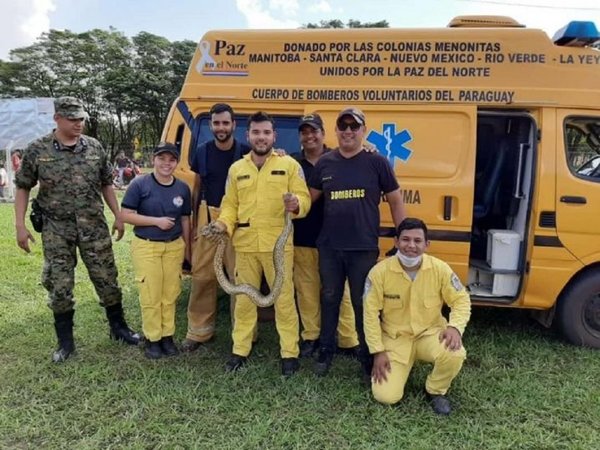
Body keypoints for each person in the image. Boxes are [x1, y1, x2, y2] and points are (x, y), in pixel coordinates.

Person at [14, 96, 141, 363]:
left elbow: (107, 183)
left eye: (81, 118)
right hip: (56, 229)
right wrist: (20, 225)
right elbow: (23, 185)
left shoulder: (94, 147)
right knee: (59, 285)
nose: (78, 124)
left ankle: (118, 328)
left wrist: (118, 215)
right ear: (57, 118)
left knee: (107, 279)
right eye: (72, 119)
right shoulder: (38, 150)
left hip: (93, 225)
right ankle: (66, 342)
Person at [308, 107, 406, 381]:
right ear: (336, 130)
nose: (348, 131)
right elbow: (308, 199)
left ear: (364, 130)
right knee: (329, 298)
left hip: (363, 247)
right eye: (343, 126)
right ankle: (326, 350)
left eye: (354, 126)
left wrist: (403, 236)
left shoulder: (377, 162)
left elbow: (396, 201)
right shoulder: (325, 163)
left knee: (364, 304)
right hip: (329, 246)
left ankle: (367, 354)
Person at [210, 111, 311, 376]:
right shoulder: (237, 169)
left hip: (278, 246)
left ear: (274, 136)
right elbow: (230, 205)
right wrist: (222, 224)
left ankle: (289, 353)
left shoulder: (289, 165)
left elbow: (305, 197)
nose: (261, 137)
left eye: (266, 132)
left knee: (284, 300)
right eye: (256, 132)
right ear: (248, 135)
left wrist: (297, 204)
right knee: (244, 299)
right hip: (244, 246)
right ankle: (240, 349)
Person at [364, 218, 471, 415]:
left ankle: (435, 390)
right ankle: (401, 368)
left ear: (426, 244)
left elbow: (461, 299)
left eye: (417, 240)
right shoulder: (379, 272)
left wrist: (455, 327)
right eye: (405, 240)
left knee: (454, 353)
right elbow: (369, 314)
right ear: (396, 242)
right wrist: (377, 351)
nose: (411, 246)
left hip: (430, 335)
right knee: (386, 397)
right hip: (395, 340)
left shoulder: (440, 269)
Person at [181, 103, 252, 352]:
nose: (221, 128)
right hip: (207, 215)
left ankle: (243, 334)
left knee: (239, 278)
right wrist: (193, 222)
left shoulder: (246, 152)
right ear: (211, 126)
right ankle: (199, 332)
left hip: (238, 220)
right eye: (216, 123)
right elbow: (197, 186)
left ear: (234, 125)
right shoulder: (202, 151)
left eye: (225, 123)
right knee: (201, 275)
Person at [293, 113, 359, 358]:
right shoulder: (291, 162)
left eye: (314, 131)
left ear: (323, 133)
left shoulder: (340, 157)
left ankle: (348, 339)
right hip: (303, 236)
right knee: (307, 290)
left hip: (336, 239)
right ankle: (311, 337)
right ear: (300, 136)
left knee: (341, 292)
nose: (310, 136)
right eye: (305, 132)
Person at [120, 143, 192, 359]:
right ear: (154, 159)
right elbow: (126, 214)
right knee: (151, 294)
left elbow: (186, 218)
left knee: (170, 294)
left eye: (171, 160)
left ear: (176, 163)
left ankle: (167, 336)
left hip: (174, 246)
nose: (166, 164)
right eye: (162, 159)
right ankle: (153, 338)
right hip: (147, 245)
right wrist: (156, 222)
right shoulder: (140, 184)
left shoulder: (182, 188)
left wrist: (188, 248)